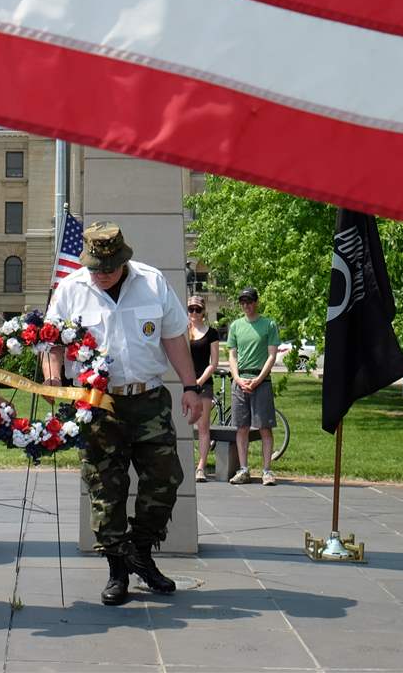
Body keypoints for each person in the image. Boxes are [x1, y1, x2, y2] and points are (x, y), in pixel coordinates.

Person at [44, 222, 203, 606]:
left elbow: (173, 337)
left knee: (166, 479)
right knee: (106, 489)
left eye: (107, 269)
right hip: (98, 407)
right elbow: (50, 343)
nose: (100, 276)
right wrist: (53, 382)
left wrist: (191, 386)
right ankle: (118, 571)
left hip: (148, 399)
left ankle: (140, 552)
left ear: (122, 260)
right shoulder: (71, 289)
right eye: (95, 268)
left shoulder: (151, 282)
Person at [227, 286, 280, 486]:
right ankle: (243, 469)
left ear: (256, 302)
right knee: (242, 427)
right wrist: (238, 378)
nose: (246, 306)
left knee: (264, 427)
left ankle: (267, 470)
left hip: (261, 381)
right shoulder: (235, 326)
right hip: (241, 381)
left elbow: (272, 355)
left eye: (249, 301)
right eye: (243, 302)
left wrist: (258, 379)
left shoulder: (269, 324)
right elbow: (232, 355)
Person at [187, 295, 220, 482]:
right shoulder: (184, 331)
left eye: (197, 310)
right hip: (186, 382)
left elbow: (213, 363)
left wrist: (199, 381)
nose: (194, 313)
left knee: (202, 426)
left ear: (203, 311)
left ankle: (201, 466)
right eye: (191, 309)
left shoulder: (212, 333)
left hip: (203, 383)